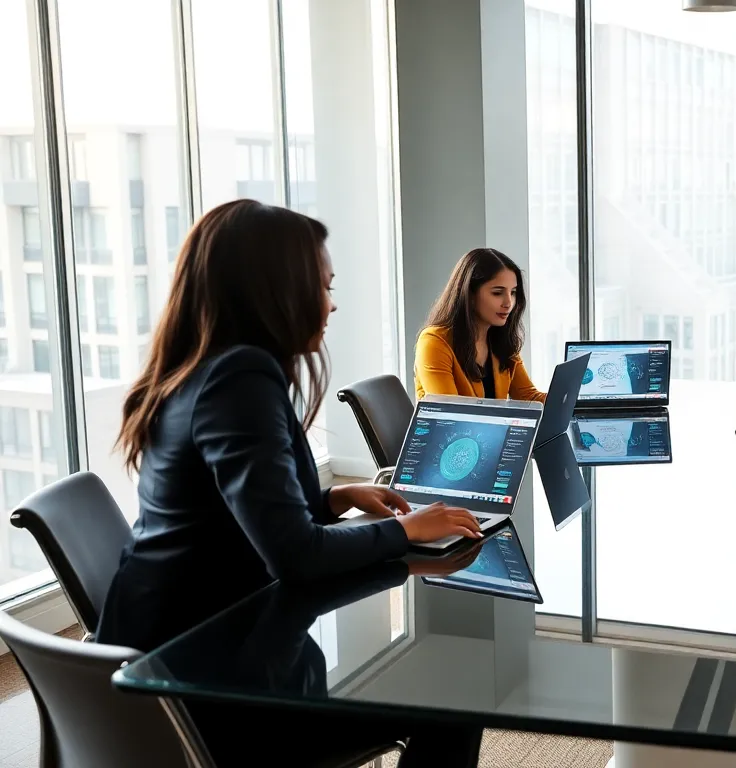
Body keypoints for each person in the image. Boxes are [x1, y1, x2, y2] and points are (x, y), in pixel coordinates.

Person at [97, 200, 484, 765]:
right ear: (274, 291)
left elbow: (235, 511)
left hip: (188, 639)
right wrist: (407, 531)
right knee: (457, 689)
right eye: (322, 286)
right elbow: (295, 554)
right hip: (199, 682)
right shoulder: (240, 378)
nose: (331, 303)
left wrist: (332, 498)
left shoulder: (203, 368)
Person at [415, 247, 546, 402]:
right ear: (469, 294)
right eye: (497, 293)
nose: (508, 303)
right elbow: (451, 411)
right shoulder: (434, 341)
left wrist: (570, 398)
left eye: (513, 292)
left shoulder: (501, 340)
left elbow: (529, 397)